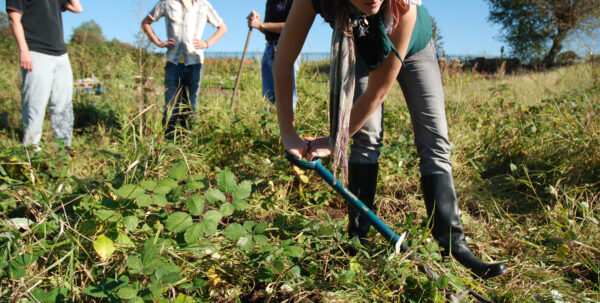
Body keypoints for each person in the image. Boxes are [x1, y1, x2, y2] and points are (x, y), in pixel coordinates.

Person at [274, 0, 508, 279]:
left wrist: (336, 139)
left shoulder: (403, 5)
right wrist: (288, 132)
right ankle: (357, 242)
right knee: (366, 139)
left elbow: (377, 91)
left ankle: (454, 247)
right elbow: (284, 60)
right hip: (361, 43)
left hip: (415, 45)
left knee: (434, 140)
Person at [142, 0, 227, 139]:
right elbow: (146, 23)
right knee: (171, 106)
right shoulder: (167, 3)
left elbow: (222, 27)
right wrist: (158, 42)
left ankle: (189, 141)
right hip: (173, 63)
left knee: (192, 105)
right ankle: (169, 143)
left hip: (195, 63)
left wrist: (207, 43)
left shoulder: (203, 4)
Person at [7, 0, 83, 152]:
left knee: (63, 103)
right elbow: (14, 19)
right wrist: (24, 51)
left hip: (61, 54)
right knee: (35, 103)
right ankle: (31, 148)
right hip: (35, 51)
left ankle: (63, 148)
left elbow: (77, 8)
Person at [247, 0, 300, 111]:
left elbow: (292, 25)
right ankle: (268, 125)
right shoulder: (270, 2)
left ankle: (287, 127)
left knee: (286, 94)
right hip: (269, 48)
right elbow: (268, 30)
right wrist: (256, 23)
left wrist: (262, 24)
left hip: (286, 47)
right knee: (268, 95)